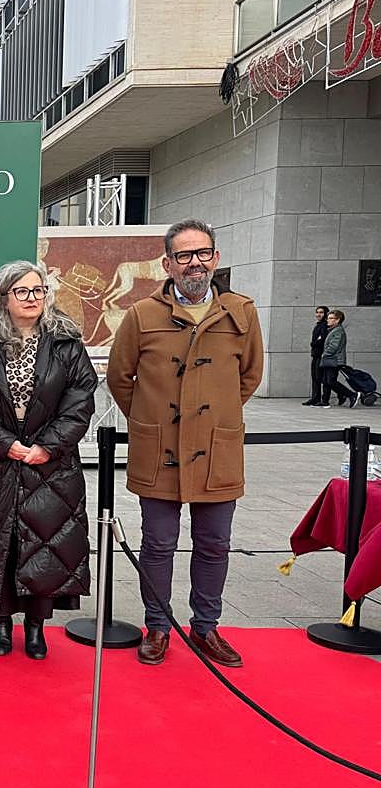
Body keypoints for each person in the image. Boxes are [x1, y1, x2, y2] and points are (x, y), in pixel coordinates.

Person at [107, 218, 263, 667]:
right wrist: (152, 416)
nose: (194, 263)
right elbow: (121, 376)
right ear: (167, 264)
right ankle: (157, 626)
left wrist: (215, 414)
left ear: (214, 258)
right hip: (161, 451)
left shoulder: (241, 313)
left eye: (202, 253)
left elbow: (249, 376)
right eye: (183, 255)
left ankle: (206, 627)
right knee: (158, 543)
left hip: (217, 449)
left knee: (215, 542)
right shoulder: (141, 315)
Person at [0, 260, 97, 660]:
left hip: (50, 465)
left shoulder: (65, 342)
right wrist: (5, 444)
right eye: (22, 291)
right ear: (4, 298)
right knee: (2, 546)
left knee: (44, 548)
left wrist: (47, 445)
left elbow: (80, 400)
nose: (32, 298)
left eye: (38, 290)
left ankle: (36, 629)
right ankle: (0, 624)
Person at [318, 310, 354, 408]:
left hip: (334, 360)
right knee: (325, 380)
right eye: (328, 318)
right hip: (330, 360)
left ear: (337, 320)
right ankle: (325, 401)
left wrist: (324, 354)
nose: (328, 320)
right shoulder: (333, 330)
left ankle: (351, 395)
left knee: (330, 381)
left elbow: (334, 346)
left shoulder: (338, 331)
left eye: (331, 318)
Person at [301, 306, 329, 406]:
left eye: (321, 312)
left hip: (320, 355)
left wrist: (314, 343)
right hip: (315, 354)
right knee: (315, 377)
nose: (318, 314)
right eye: (317, 312)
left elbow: (321, 340)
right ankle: (315, 397)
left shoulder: (325, 325)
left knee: (319, 377)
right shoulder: (318, 325)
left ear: (326, 314)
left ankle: (318, 398)